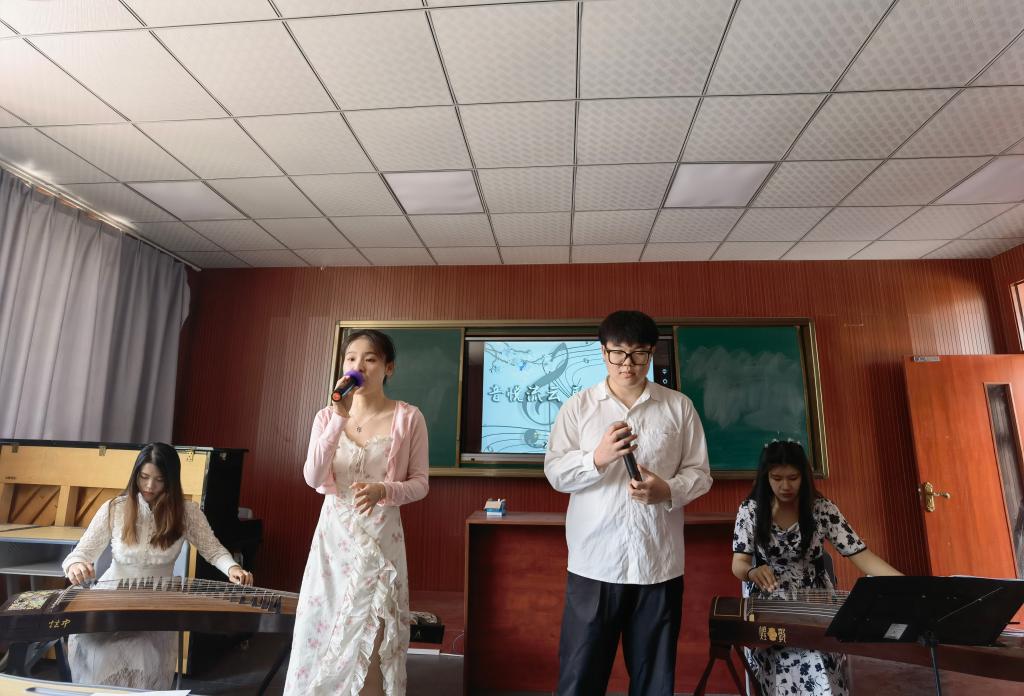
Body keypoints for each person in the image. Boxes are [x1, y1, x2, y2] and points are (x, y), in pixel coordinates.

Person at [544, 310, 713, 696]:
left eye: (638, 353)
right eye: (617, 353)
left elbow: (700, 474)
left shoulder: (678, 407)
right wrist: (597, 458)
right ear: (603, 352)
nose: (627, 363)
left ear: (651, 353)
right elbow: (555, 472)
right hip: (594, 564)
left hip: (658, 565)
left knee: (655, 682)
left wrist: (666, 490)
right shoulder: (579, 407)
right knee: (579, 678)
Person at [284, 329, 429, 696]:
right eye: (351, 358)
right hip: (333, 542)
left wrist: (385, 489)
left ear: (388, 368)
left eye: (370, 359)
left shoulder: (408, 418)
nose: (358, 366)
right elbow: (313, 477)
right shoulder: (325, 417)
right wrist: (338, 417)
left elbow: (420, 483)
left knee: (373, 634)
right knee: (322, 628)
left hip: (380, 541)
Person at [62, 442, 253, 689]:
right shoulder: (114, 508)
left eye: (159, 479)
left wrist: (233, 568)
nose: (150, 486)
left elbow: (213, 550)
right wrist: (76, 566)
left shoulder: (186, 513)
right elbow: (80, 553)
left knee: (141, 651)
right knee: (98, 649)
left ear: (171, 481)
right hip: (111, 598)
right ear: (135, 475)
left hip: (157, 602)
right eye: (144, 477)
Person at [731, 440, 903, 695]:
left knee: (820, 660)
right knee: (791, 665)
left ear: (804, 476)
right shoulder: (751, 510)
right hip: (772, 606)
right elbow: (739, 563)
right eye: (777, 478)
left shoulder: (821, 509)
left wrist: (907, 584)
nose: (785, 486)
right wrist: (752, 572)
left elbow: (861, 555)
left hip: (816, 603)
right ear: (766, 477)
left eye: (793, 478)